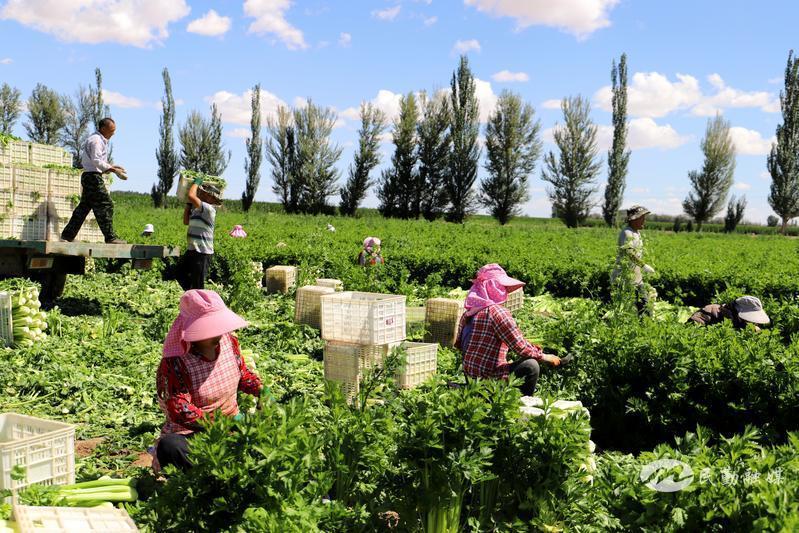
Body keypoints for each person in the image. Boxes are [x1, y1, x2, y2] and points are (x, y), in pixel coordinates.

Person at [155, 290, 262, 470]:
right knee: (171, 446)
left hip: (233, 430)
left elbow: (241, 373)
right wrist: (221, 423)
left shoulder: (228, 342)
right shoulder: (176, 362)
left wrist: (261, 389)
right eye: (209, 329)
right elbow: (180, 410)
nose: (218, 334)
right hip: (195, 435)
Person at [455, 264, 561, 396]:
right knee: (531, 366)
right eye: (502, 287)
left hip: (471, 378)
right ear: (494, 288)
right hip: (488, 380)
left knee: (516, 363)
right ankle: (519, 407)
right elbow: (519, 346)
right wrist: (545, 357)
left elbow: (459, 345)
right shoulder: (497, 312)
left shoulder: (469, 313)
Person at [60, 118, 127, 244]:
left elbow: (96, 162)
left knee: (84, 208)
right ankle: (110, 237)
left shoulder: (97, 139)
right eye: (111, 130)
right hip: (93, 178)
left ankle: (67, 236)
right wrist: (111, 169)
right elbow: (96, 161)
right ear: (103, 128)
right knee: (106, 204)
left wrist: (112, 167)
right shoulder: (96, 141)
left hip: (90, 176)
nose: (113, 133)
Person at [610, 205, 655, 316]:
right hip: (624, 277)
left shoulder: (637, 233)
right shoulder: (627, 233)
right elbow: (629, 252)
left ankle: (644, 327)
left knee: (642, 307)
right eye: (642, 218)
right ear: (634, 219)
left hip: (634, 276)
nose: (644, 220)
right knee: (641, 307)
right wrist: (643, 265)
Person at [178, 178, 221, 291]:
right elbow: (186, 221)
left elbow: (192, 196)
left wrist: (196, 183)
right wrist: (188, 204)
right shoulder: (198, 209)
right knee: (180, 274)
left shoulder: (208, 209)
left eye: (204, 193)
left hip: (202, 253)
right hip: (193, 250)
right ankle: (191, 297)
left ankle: (199, 304)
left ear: (211, 197)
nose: (201, 193)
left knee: (198, 285)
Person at [687, 295, 770, 330]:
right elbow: (690, 331)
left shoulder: (742, 322)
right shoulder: (708, 313)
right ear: (735, 310)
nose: (754, 323)